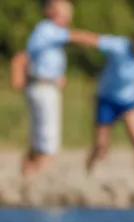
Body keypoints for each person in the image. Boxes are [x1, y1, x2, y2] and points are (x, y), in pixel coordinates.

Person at [9, 0, 98, 178]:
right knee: (48, 143)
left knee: (37, 140)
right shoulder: (47, 29)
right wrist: (101, 41)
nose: (67, 19)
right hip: (43, 89)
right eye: (65, 14)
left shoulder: (46, 33)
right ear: (53, 13)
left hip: (42, 87)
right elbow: (76, 37)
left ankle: (25, 178)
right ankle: (40, 180)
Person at [85, 18, 134, 183]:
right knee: (101, 146)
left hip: (131, 100)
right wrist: (64, 35)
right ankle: (88, 170)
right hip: (107, 98)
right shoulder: (118, 46)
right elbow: (93, 40)